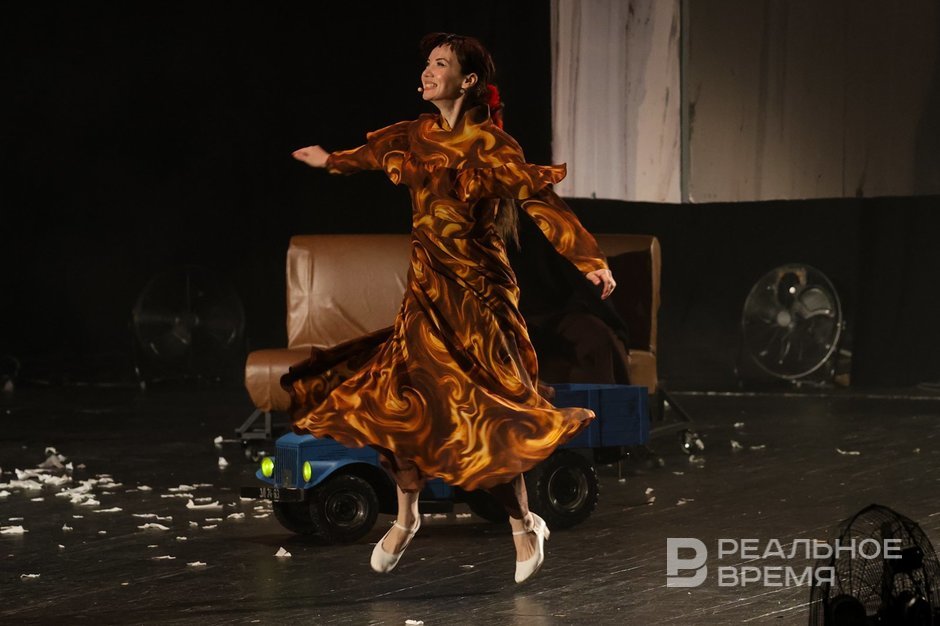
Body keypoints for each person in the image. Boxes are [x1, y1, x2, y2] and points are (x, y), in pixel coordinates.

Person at [288, 32, 616, 584]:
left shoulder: (493, 147)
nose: (427, 71)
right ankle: (407, 516)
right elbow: (369, 156)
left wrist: (589, 259)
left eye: (439, 63)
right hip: (426, 294)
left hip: (480, 299)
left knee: (485, 416)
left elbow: (540, 201)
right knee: (400, 402)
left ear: (468, 81)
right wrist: (328, 161)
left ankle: (523, 525)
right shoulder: (413, 135)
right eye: (427, 63)